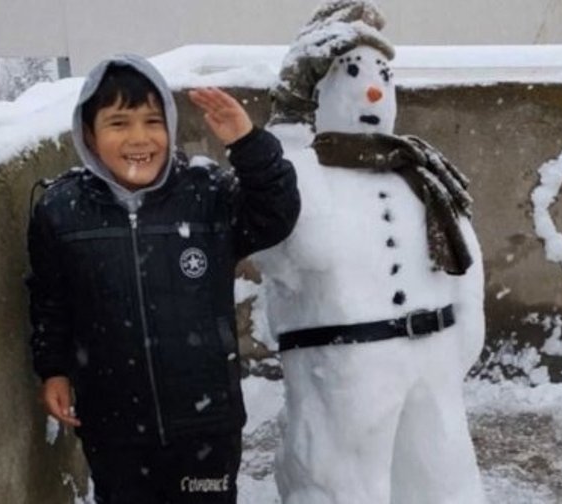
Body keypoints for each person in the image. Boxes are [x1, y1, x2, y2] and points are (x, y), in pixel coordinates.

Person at [26, 53, 299, 503]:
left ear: (170, 128)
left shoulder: (205, 193)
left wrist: (249, 145)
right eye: (118, 123)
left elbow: (276, 216)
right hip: (113, 429)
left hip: (206, 427)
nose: (139, 138)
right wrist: (53, 369)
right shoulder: (61, 211)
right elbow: (51, 299)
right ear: (89, 136)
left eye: (153, 121)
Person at [253, 1, 486, 503]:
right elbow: (297, 245)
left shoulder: (422, 173)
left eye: (383, 73)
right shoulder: (302, 175)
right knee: (344, 487)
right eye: (352, 73)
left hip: (431, 368)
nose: (374, 89)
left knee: (442, 483)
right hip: (343, 376)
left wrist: (459, 337)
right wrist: (288, 124)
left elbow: (464, 261)